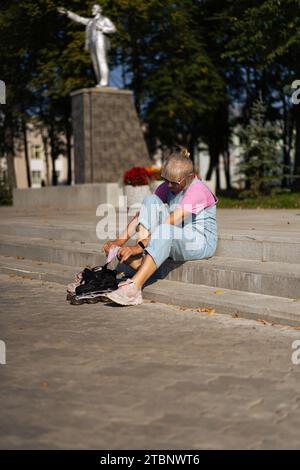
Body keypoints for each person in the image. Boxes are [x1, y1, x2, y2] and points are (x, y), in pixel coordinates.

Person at [102, 146, 218, 306]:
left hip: (199, 242)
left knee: (165, 229)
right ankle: (142, 261)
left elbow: (169, 223)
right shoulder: (170, 185)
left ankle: (134, 287)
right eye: (166, 180)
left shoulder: (198, 189)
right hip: (177, 236)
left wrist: (139, 246)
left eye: (174, 183)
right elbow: (143, 214)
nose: (168, 186)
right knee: (150, 200)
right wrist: (119, 242)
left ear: (190, 177)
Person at [57, 4, 116, 87]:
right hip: (92, 43)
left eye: (95, 8)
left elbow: (113, 29)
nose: (92, 10)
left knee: (101, 61)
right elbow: (79, 19)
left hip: (100, 41)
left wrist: (102, 28)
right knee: (95, 64)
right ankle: (100, 82)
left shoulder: (104, 19)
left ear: (100, 10)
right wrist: (67, 12)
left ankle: (104, 82)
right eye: (92, 8)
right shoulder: (90, 21)